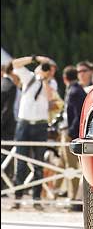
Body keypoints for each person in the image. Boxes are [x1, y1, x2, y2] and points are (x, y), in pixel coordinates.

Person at [11, 55, 56, 209]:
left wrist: (44, 79)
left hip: (40, 125)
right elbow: (14, 64)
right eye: (44, 67)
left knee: (38, 163)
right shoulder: (28, 77)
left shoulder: (51, 83)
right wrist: (34, 58)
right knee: (20, 161)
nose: (45, 69)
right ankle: (17, 198)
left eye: (47, 68)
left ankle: (36, 199)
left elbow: (50, 97)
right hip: (24, 124)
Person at [58, 66, 86, 210]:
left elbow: (76, 115)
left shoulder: (74, 91)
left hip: (70, 134)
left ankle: (74, 199)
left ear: (64, 78)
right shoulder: (77, 89)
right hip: (68, 132)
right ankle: (63, 195)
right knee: (64, 165)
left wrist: (70, 132)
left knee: (72, 168)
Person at [1, 62, 20, 177]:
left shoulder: (3, 84)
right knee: (6, 155)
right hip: (6, 127)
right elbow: (7, 110)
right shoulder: (11, 86)